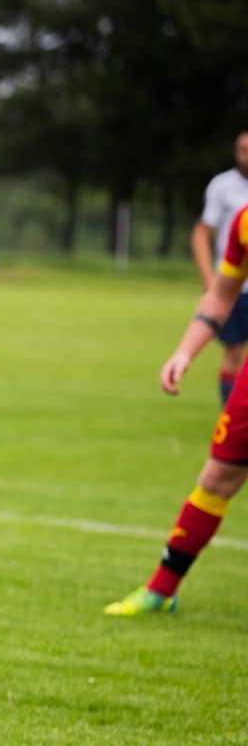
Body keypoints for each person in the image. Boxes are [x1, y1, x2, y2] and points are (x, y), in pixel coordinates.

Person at [106, 203, 248, 615]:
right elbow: (222, 292)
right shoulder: (242, 221)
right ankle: (161, 590)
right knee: (219, 475)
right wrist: (184, 352)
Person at [190, 131, 248, 406]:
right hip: (234, 286)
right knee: (234, 354)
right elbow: (202, 232)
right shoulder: (222, 186)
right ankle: (230, 416)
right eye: (242, 149)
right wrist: (208, 281)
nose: (246, 154)